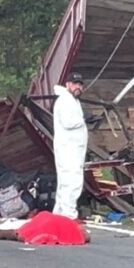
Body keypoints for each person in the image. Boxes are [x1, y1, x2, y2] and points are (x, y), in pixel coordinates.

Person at [52, 72, 88, 220]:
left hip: (73, 148)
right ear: (67, 84)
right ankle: (68, 214)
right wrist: (84, 119)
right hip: (69, 148)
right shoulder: (64, 101)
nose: (78, 87)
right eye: (75, 84)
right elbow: (68, 123)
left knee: (66, 181)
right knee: (71, 181)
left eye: (80, 84)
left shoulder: (72, 100)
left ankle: (59, 213)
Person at [0, 211, 90, 245]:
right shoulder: (77, 232)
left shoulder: (72, 224)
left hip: (42, 222)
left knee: (7, 232)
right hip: (42, 224)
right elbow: (86, 236)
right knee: (8, 233)